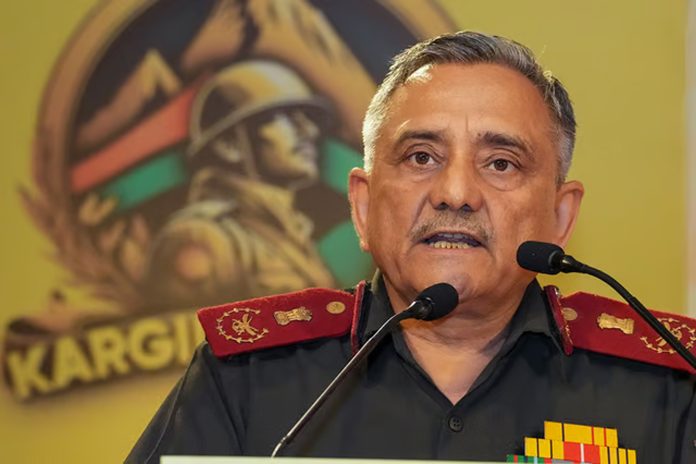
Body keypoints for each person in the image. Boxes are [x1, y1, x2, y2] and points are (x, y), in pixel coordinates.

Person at [128, 32, 696, 463]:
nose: (456, 193)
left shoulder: (667, 385)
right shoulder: (248, 377)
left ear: (561, 216)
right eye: (421, 157)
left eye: (501, 163)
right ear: (363, 206)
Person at [144, 60, 335, 310]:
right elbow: (192, 331)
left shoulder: (290, 233)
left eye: (306, 118)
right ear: (229, 145)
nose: (309, 130)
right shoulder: (205, 237)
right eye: (282, 117)